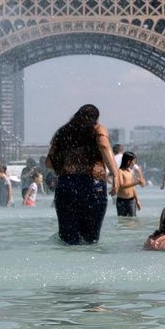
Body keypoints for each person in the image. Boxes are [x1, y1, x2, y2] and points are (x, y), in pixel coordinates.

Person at [44, 104, 119, 245]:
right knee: (90, 239)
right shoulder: (97, 129)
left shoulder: (63, 132)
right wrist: (115, 174)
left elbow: (48, 163)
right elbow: (103, 145)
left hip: (66, 185)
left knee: (68, 239)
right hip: (92, 185)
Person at [115, 152, 142, 217]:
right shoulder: (119, 171)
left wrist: (137, 200)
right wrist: (136, 182)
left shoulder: (130, 171)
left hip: (131, 201)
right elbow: (121, 185)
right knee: (122, 221)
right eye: (134, 161)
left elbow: (133, 188)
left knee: (132, 220)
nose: (134, 163)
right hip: (121, 201)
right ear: (128, 161)